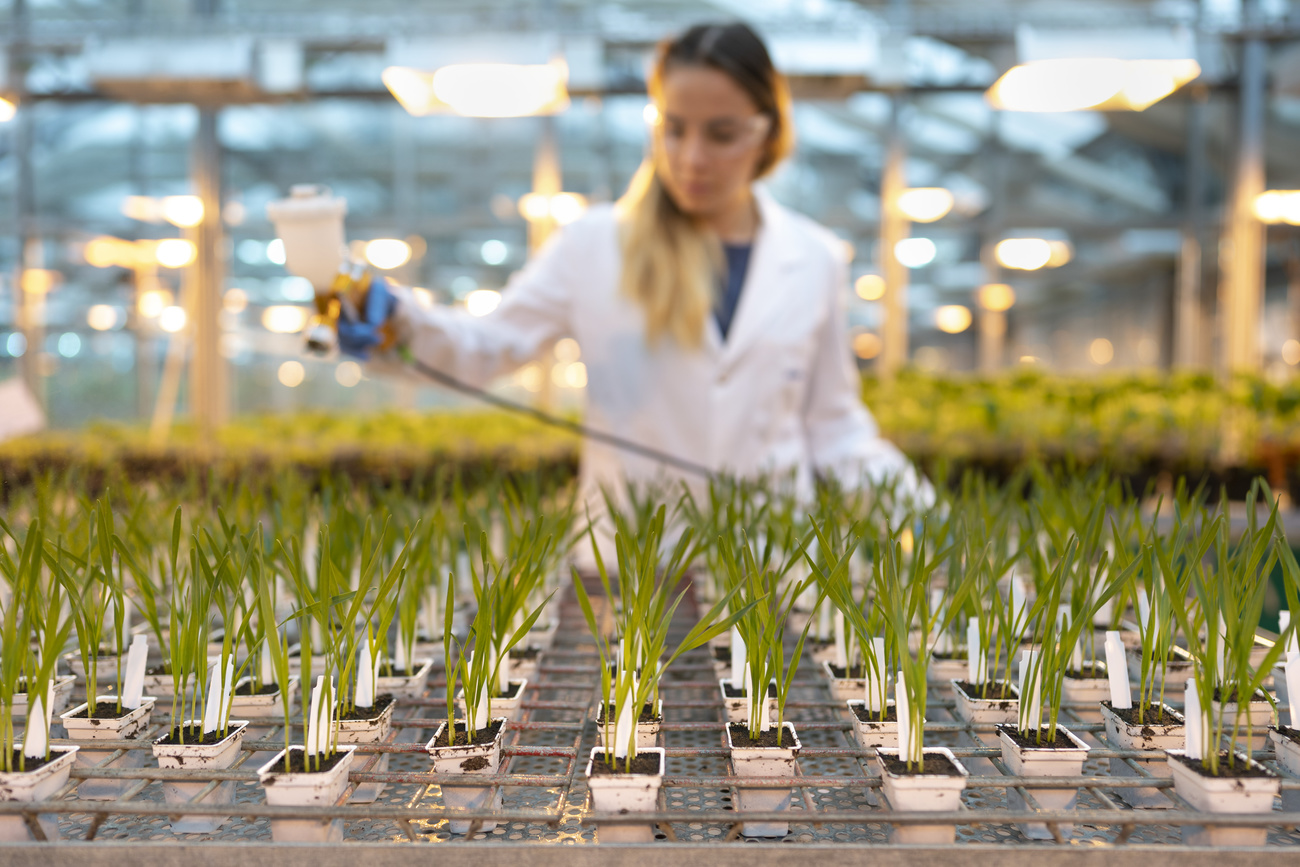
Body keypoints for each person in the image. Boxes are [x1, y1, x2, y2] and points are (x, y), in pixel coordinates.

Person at [339, 21, 932, 526]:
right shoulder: (594, 245)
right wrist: (399, 320)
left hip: (769, 564)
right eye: (674, 128)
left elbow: (834, 427)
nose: (692, 157)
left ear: (768, 133)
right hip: (631, 569)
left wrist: (933, 528)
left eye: (721, 134)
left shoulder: (815, 257)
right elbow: (487, 347)